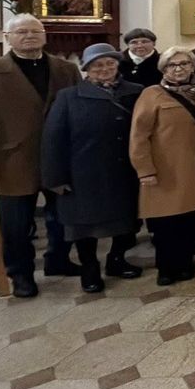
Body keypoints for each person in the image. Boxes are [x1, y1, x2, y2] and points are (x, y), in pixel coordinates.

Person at [0, 14, 82, 297]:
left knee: (63, 216)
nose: (29, 36)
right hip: (13, 160)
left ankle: (58, 259)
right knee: (16, 224)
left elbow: (79, 113)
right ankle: (20, 274)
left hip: (59, 156)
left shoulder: (66, 70)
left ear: (44, 35)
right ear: (8, 38)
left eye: (34, 31)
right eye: (21, 32)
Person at [41, 43, 143, 293]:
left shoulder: (136, 92)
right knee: (83, 225)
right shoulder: (68, 97)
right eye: (98, 65)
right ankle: (89, 267)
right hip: (84, 173)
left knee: (127, 222)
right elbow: (53, 138)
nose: (105, 69)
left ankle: (117, 260)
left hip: (125, 171)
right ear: (87, 69)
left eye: (110, 63)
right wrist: (55, 177)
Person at [129, 47, 195, 286]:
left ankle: (185, 263)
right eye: (172, 65)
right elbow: (138, 136)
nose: (179, 69)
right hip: (164, 169)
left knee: (188, 220)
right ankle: (166, 268)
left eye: (184, 64)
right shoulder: (151, 95)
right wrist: (145, 170)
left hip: (193, 167)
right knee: (166, 223)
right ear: (163, 69)